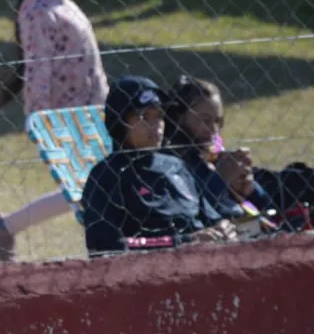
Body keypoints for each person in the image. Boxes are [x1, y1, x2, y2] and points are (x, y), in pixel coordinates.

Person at [0, 0, 107, 262]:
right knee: (85, 191)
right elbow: (38, 65)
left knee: (88, 189)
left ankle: (5, 227)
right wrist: (40, 116)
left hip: (91, 113)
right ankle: (107, 252)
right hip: (64, 117)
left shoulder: (62, 2)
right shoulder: (37, 10)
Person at [81, 76, 236, 257]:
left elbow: (212, 219)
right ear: (121, 122)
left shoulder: (176, 166)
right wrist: (182, 243)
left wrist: (224, 229)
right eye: (145, 117)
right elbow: (106, 247)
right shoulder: (107, 177)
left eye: (160, 117)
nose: (157, 127)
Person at [163, 75, 275, 226]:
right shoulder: (168, 164)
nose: (213, 130)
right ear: (179, 118)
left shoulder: (212, 159)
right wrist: (220, 179)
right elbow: (191, 213)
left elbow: (273, 211)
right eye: (205, 120)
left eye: (218, 121)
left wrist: (249, 190)